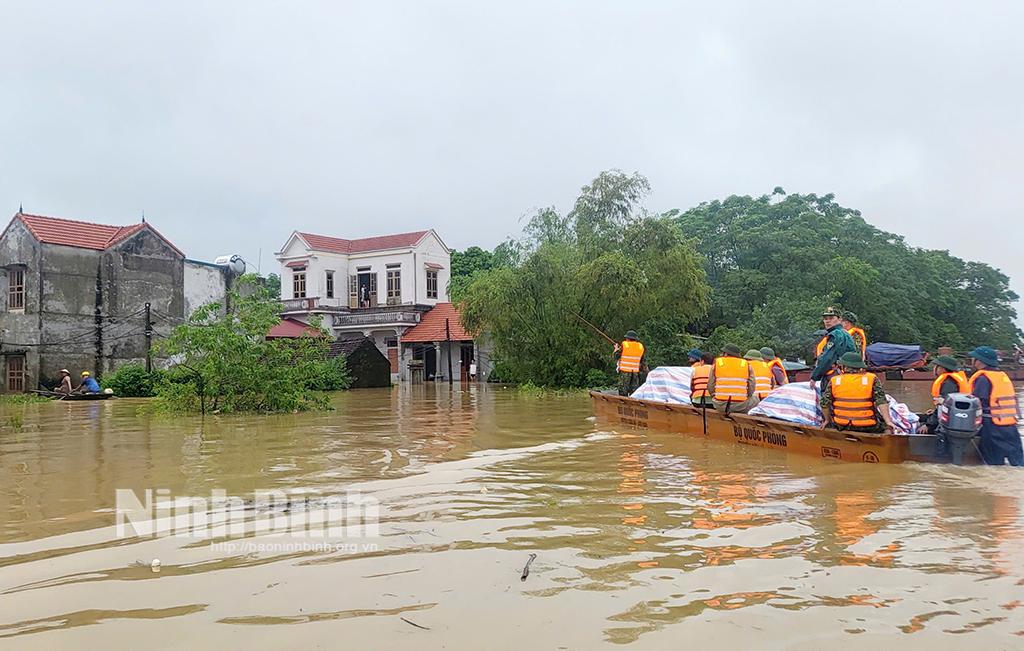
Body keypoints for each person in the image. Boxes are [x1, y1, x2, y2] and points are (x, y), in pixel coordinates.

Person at [967, 346, 1022, 466]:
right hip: (1010, 426)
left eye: (973, 358)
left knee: (993, 464)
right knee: (1018, 463)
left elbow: (977, 402)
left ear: (980, 361)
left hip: (991, 426)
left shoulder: (983, 378)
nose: (972, 360)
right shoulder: (1002, 376)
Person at [820, 352, 894, 433]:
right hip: (867, 427)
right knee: (884, 425)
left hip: (841, 425)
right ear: (860, 366)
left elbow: (824, 403)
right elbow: (881, 401)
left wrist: (827, 420)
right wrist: (888, 422)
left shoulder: (835, 380)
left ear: (843, 367)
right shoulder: (871, 379)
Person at [919, 355, 971, 434]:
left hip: (949, 423)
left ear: (942, 369)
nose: (934, 369)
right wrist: (934, 412)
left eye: (936, 366)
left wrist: (928, 425)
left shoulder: (948, 384)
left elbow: (945, 406)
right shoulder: (951, 381)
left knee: (920, 428)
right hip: (955, 418)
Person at [811, 307, 857, 391]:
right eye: (825, 318)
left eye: (831, 318)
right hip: (849, 376)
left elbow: (827, 358)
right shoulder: (845, 333)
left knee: (828, 403)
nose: (827, 321)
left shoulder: (835, 334)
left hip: (835, 378)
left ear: (839, 319)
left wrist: (814, 377)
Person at [707, 343, 757, 414]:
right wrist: (747, 396)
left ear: (726, 354)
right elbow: (752, 386)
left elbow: (710, 385)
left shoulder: (717, 363)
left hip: (720, 405)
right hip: (740, 405)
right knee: (756, 398)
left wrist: (714, 396)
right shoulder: (746, 364)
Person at [614, 330, 646, 397]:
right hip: (635, 373)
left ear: (628, 338)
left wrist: (616, 349)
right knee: (634, 393)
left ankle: (623, 406)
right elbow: (642, 361)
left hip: (624, 373)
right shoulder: (640, 346)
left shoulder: (625, 344)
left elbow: (616, 356)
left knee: (623, 393)